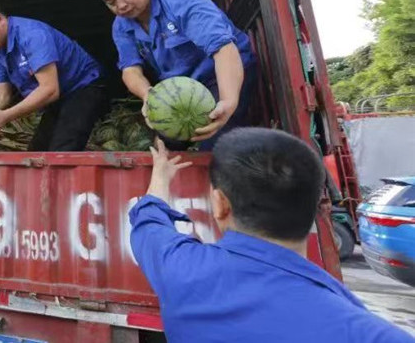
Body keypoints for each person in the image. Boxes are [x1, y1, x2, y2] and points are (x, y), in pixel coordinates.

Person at [131, 129, 414, 342]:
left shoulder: (182, 270)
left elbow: (149, 222)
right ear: (312, 206)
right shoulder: (371, 334)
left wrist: (162, 174)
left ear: (220, 204)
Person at [96, 0, 257, 149]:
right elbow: (130, 70)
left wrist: (228, 101)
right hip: (181, 87)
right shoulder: (121, 25)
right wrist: (148, 95)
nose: (121, 6)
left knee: (213, 140)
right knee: (166, 144)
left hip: (220, 72)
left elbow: (223, 49)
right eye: (111, 3)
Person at [0, 0, 105, 151]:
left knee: (62, 152)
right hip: (59, 97)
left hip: (83, 86)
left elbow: (50, 90)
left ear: (0, 19)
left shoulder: (32, 36)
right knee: (36, 152)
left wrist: (5, 116)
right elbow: (2, 97)